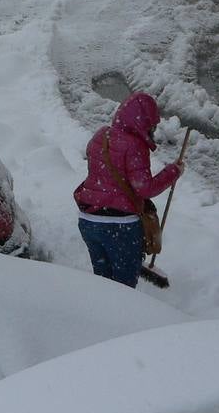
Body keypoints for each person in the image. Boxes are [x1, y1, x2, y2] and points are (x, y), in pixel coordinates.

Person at [73, 92, 184, 287]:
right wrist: (173, 171)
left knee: (102, 283)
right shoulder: (135, 145)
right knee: (123, 290)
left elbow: (98, 169)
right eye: (152, 125)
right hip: (119, 226)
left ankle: (98, 314)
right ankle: (121, 316)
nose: (153, 130)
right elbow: (144, 188)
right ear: (144, 123)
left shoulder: (101, 135)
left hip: (89, 222)